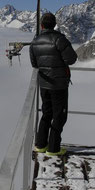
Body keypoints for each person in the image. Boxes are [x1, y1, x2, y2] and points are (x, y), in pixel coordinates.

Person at [30, 13, 77, 156]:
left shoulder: (35, 41)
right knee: (59, 116)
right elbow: (71, 59)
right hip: (59, 85)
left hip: (44, 84)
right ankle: (53, 148)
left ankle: (40, 144)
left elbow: (34, 63)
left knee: (46, 113)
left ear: (42, 25)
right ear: (54, 24)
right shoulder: (59, 39)